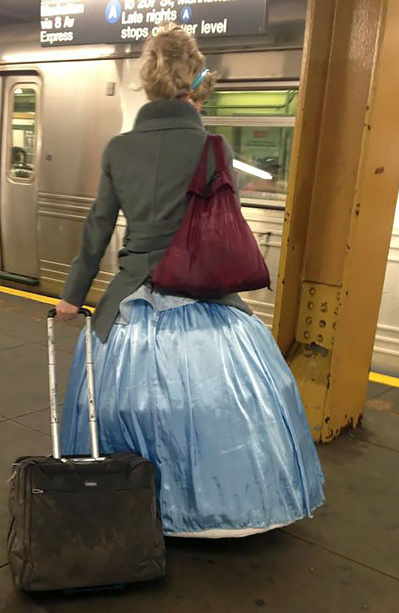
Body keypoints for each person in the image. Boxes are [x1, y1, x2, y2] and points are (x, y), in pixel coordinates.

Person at [56, 26, 324, 538]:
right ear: (194, 87)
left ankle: (122, 498)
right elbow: (222, 224)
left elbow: (97, 229)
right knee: (220, 405)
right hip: (204, 293)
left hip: (131, 299)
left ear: (148, 84)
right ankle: (215, 510)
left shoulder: (118, 149)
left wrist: (72, 296)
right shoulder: (213, 148)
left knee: (122, 402)